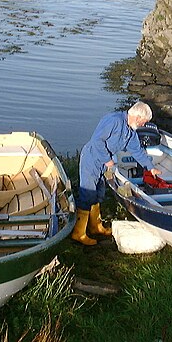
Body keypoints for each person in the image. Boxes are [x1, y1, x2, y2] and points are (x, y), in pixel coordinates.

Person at [72, 101, 161, 246]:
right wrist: (107, 160)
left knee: (99, 193)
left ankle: (95, 227)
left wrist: (150, 167)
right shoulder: (113, 121)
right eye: (144, 122)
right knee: (87, 194)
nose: (144, 125)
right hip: (91, 159)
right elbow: (97, 141)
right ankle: (78, 233)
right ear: (138, 117)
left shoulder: (130, 132)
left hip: (103, 163)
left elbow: (137, 151)